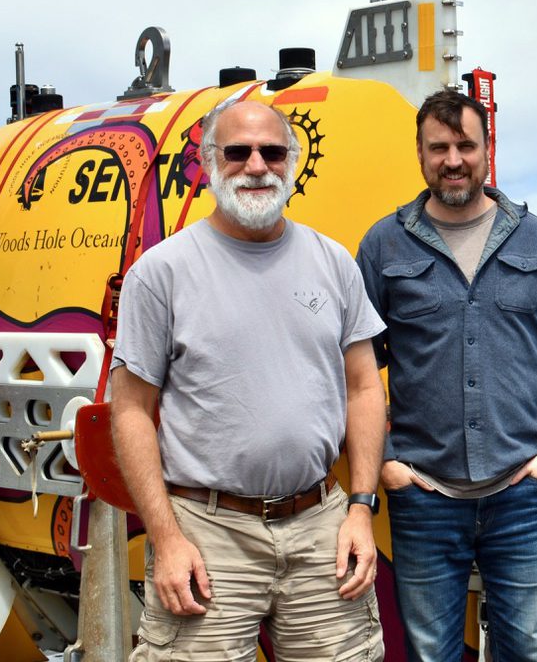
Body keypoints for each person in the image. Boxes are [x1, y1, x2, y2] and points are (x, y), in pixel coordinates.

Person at [111, 99, 387, 660]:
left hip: (320, 529)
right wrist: (165, 539)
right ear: (210, 161)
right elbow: (131, 410)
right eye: (238, 152)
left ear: (292, 162)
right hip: (207, 535)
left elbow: (364, 388)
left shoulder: (334, 263)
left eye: (272, 151)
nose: (256, 165)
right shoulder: (162, 273)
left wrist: (361, 507)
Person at [356, 90, 537, 661]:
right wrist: (386, 460)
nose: (453, 159)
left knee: (528, 648)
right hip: (423, 493)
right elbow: (353, 367)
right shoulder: (383, 245)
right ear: (419, 155)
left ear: (487, 150)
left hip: (523, 491)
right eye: (438, 148)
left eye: (466, 145)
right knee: (429, 650)